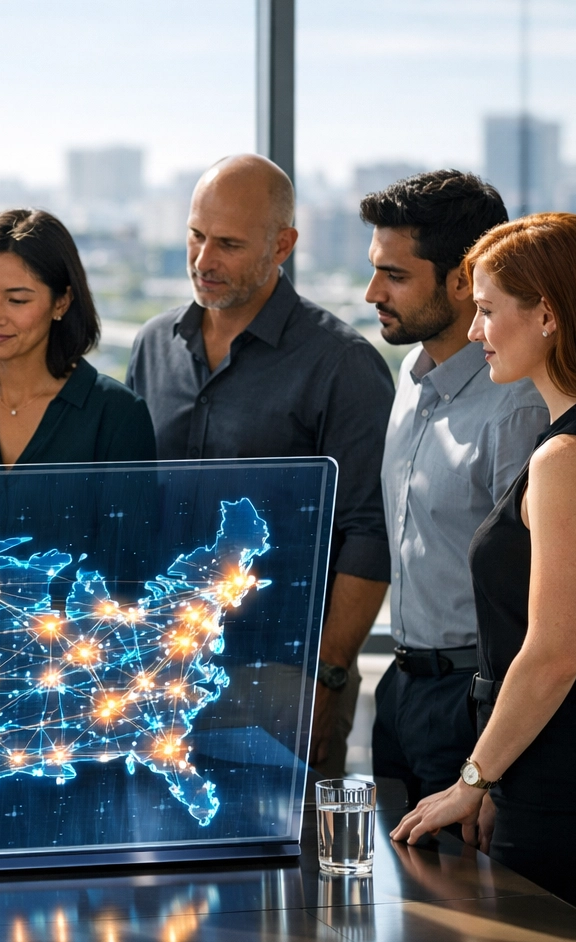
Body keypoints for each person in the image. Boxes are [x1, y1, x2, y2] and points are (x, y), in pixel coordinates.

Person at [393, 213, 576, 935]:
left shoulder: (569, 457)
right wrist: (497, 774)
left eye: (488, 311)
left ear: (546, 314)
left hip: (569, 780)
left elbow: (552, 654)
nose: (477, 329)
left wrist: (472, 779)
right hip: (557, 766)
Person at [126, 154, 394, 777]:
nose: (202, 260)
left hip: (281, 676)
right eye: (195, 235)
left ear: (283, 245)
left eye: (228, 244)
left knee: (288, 868)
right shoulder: (152, 346)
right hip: (156, 674)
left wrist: (325, 679)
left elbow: (369, 536)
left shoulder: (340, 365)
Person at [359, 171, 548, 810]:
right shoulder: (411, 383)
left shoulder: (514, 409)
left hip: (476, 702)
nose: (371, 293)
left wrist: (491, 770)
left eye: (395, 276)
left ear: (463, 279)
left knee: (480, 904)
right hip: (402, 689)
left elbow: (532, 608)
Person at [0, 208, 157, 599]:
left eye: (17, 300)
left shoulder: (117, 415)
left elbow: (129, 573)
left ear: (62, 302)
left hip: (77, 650)